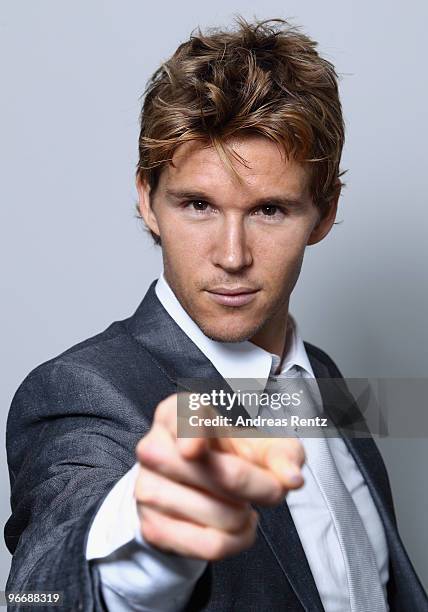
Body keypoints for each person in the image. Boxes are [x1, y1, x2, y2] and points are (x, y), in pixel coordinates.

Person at [4, 16, 427, 612]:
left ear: (325, 213)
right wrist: (145, 539)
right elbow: (36, 592)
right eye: (197, 204)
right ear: (147, 201)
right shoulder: (79, 392)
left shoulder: (322, 379)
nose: (232, 257)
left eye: (270, 211)